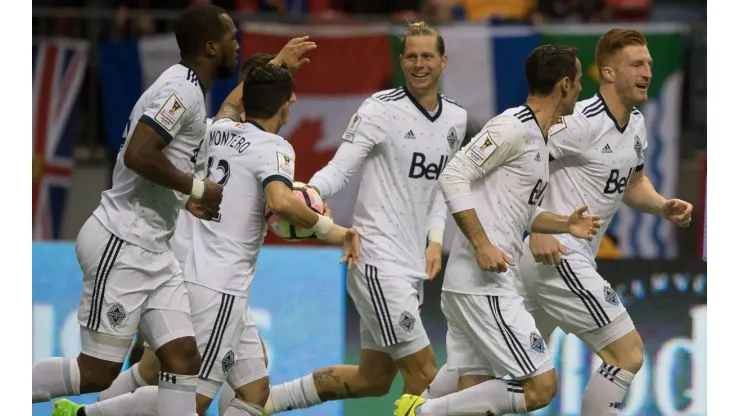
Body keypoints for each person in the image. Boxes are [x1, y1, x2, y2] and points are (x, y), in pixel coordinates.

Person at [51, 40, 320, 416]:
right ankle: (86, 414)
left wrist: (276, 68)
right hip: (209, 279)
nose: (236, 43)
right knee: (180, 391)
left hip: (190, 270)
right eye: (230, 38)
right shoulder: (266, 145)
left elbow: (232, 105)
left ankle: (88, 412)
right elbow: (279, 201)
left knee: (250, 388)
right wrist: (328, 228)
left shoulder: (214, 129)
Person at [32, 5, 239, 416]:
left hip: (153, 250)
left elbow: (159, 163)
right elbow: (139, 154)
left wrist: (185, 198)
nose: (237, 44)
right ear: (211, 45)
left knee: (182, 361)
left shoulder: (190, 89)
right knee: (95, 373)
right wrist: (198, 186)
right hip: (122, 241)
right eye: (232, 37)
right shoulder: (180, 90)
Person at [264, 21, 468, 414]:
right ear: (401, 60)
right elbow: (341, 168)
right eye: (411, 56)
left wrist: (436, 239)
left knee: (373, 379)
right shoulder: (379, 109)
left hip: (411, 265)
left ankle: (264, 402)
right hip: (375, 260)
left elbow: (446, 184)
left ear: (443, 61)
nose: (419, 64)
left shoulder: (456, 120)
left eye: (428, 56)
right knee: (426, 372)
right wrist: (310, 192)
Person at [395, 44, 599, 416]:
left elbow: (522, 211)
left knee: (472, 388)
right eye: (580, 81)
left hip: (476, 284)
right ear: (565, 84)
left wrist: (565, 223)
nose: (582, 90)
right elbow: (454, 175)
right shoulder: (512, 126)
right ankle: (421, 413)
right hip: (482, 284)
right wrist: (481, 244)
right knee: (540, 387)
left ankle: (422, 407)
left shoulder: (539, 137)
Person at [518, 29, 692, 416]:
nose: (647, 70)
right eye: (636, 64)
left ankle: (425, 408)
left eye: (648, 63)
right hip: (558, 255)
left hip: (557, 263)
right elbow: (522, 161)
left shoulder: (636, 125)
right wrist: (535, 227)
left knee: (519, 382)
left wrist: (662, 206)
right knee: (626, 354)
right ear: (608, 73)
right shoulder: (579, 121)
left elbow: (632, 183)